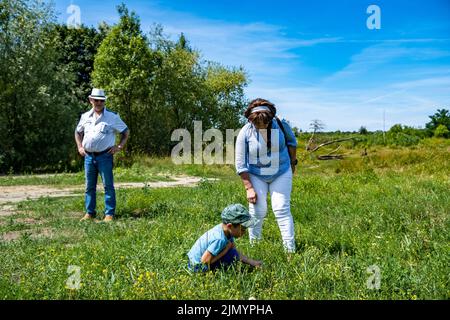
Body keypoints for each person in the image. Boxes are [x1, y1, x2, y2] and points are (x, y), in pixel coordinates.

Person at [235, 98, 298, 253]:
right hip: (256, 174)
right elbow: (240, 162)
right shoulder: (245, 132)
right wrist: (248, 188)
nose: (261, 127)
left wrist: (292, 163)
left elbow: (292, 143)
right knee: (257, 210)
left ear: (270, 118)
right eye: (257, 124)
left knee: (281, 208)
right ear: (251, 120)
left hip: (281, 171)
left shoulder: (281, 124)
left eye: (265, 123)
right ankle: (255, 247)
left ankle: (290, 250)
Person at [75, 88, 129, 222]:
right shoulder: (85, 116)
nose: (98, 103)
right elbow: (77, 132)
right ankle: (89, 213)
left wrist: (119, 146)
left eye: (101, 101)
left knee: (108, 185)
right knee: (89, 186)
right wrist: (80, 147)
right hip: (88, 156)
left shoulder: (112, 117)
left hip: (105, 156)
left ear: (104, 102)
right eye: (96, 100)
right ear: (90, 100)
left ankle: (109, 214)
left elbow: (126, 132)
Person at [187, 204, 262, 272]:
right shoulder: (220, 239)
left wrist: (252, 262)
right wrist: (225, 250)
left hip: (194, 261)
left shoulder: (225, 230)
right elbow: (204, 261)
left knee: (232, 253)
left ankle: (253, 264)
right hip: (197, 267)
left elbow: (233, 250)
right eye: (242, 229)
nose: (244, 232)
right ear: (230, 226)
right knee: (230, 256)